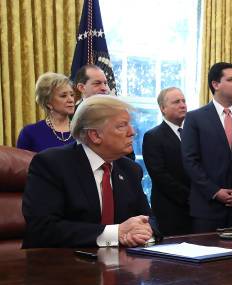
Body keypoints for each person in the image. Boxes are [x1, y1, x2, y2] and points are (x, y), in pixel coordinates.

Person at [22, 95, 155, 248]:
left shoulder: (130, 169)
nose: (132, 132)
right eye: (121, 126)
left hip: (117, 263)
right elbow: (43, 228)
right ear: (95, 135)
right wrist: (115, 232)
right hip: (59, 264)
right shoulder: (52, 164)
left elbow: (149, 219)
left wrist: (143, 231)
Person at [181, 62, 232, 232]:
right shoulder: (195, 118)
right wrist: (215, 191)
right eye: (231, 79)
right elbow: (190, 161)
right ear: (215, 84)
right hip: (207, 208)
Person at [142, 87, 191, 236]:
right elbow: (160, 175)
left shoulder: (194, 133)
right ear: (163, 108)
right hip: (171, 209)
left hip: (198, 209)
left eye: (184, 101)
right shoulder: (153, 136)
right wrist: (190, 197)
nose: (183, 105)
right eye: (176, 102)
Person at [17, 72, 75, 152]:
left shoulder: (83, 131)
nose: (71, 100)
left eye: (72, 95)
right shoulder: (30, 133)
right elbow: (22, 163)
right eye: (63, 96)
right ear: (48, 103)